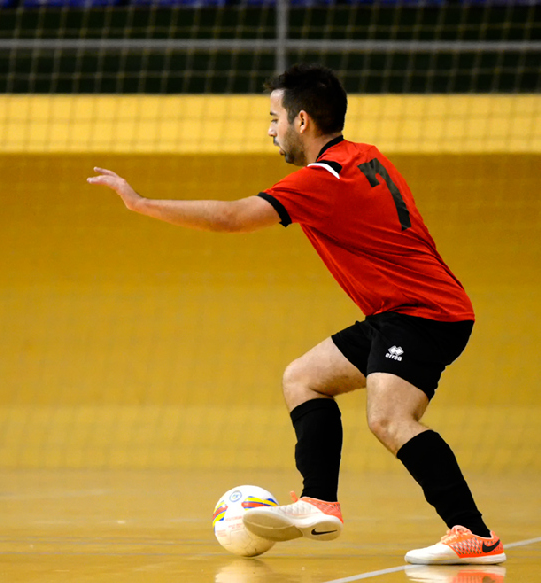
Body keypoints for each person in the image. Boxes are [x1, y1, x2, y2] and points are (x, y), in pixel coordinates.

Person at [86, 63, 505, 566]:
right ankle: (318, 501)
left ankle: (475, 535)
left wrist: (141, 203)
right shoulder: (366, 157)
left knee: (390, 418)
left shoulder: (322, 179)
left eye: (273, 118)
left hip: (424, 313)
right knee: (304, 378)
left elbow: (230, 217)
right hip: (400, 311)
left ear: (301, 121)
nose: (270, 130)